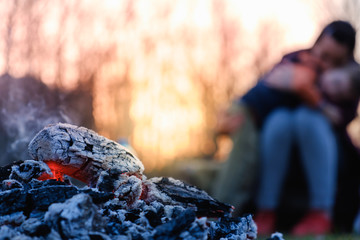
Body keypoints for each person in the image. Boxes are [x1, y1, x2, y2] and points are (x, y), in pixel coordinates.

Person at [212, 20, 357, 216]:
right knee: (242, 163)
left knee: (246, 162)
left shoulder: (350, 77)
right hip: (251, 117)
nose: (325, 62)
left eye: (334, 60)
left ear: (345, 60)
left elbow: (340, 116)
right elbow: (286, 83)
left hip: (301, 142)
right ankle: (221, 213)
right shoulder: (303, 60)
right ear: (318, 42)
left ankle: (224, 212)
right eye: (323, 54)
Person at [255, 64, 360, 236]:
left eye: (340, 93)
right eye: (335, 82)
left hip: (328, 149)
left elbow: (341, 122)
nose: (333, 90)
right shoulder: (306, 67)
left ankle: (321, 211)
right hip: (284, 131)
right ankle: (266, 210)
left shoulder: (342, 108)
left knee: (306, 117)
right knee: (279, 120)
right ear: (332, 69)